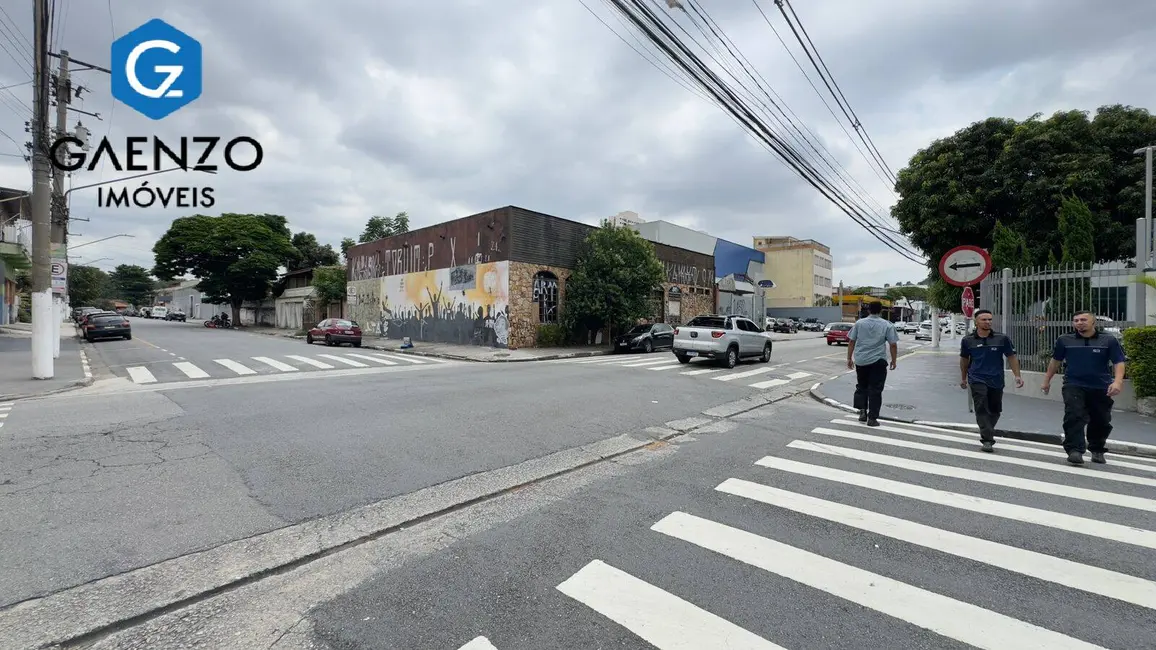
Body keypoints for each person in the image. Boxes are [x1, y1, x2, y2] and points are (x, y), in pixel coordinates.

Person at [1041, 311, 1126, 465]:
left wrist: (1118, 382)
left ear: (1093, 322)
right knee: (1074, 415)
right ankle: (1074, 450)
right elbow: (1055, 361)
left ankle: (1097, 448)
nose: (1079, 323)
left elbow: (1118, 361)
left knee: (1101, 420)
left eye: (1083, 320)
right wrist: (1046, 381)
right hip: (1073, 384)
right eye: (1076, 320)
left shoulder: (1108, 340)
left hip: (1101, 386)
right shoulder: (1064, 340)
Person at [959, 309, 1024, 453]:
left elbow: (1011, 357)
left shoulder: (1002, 339)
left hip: (996, 379)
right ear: (976, 322)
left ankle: (988, 429)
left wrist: (1017, 376)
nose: (987, 322)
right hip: (977, 378)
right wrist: (963, 378)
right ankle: (987, 439)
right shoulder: (968, 340)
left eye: (989, 319)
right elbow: (964, 360)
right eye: (984, 319)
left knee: (995, 409)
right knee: (981, 406)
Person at [846, 301, 898, 426]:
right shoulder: (887, 325)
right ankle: (872, 418)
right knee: (875, 389)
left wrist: (849, 358)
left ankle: (862, 412)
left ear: (868, 310)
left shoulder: (859, 323)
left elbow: (851, 341)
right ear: (881, 311)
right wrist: (894, 360)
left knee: (862, 386)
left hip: (861, 360)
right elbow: (893, 344)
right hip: (878, 361)